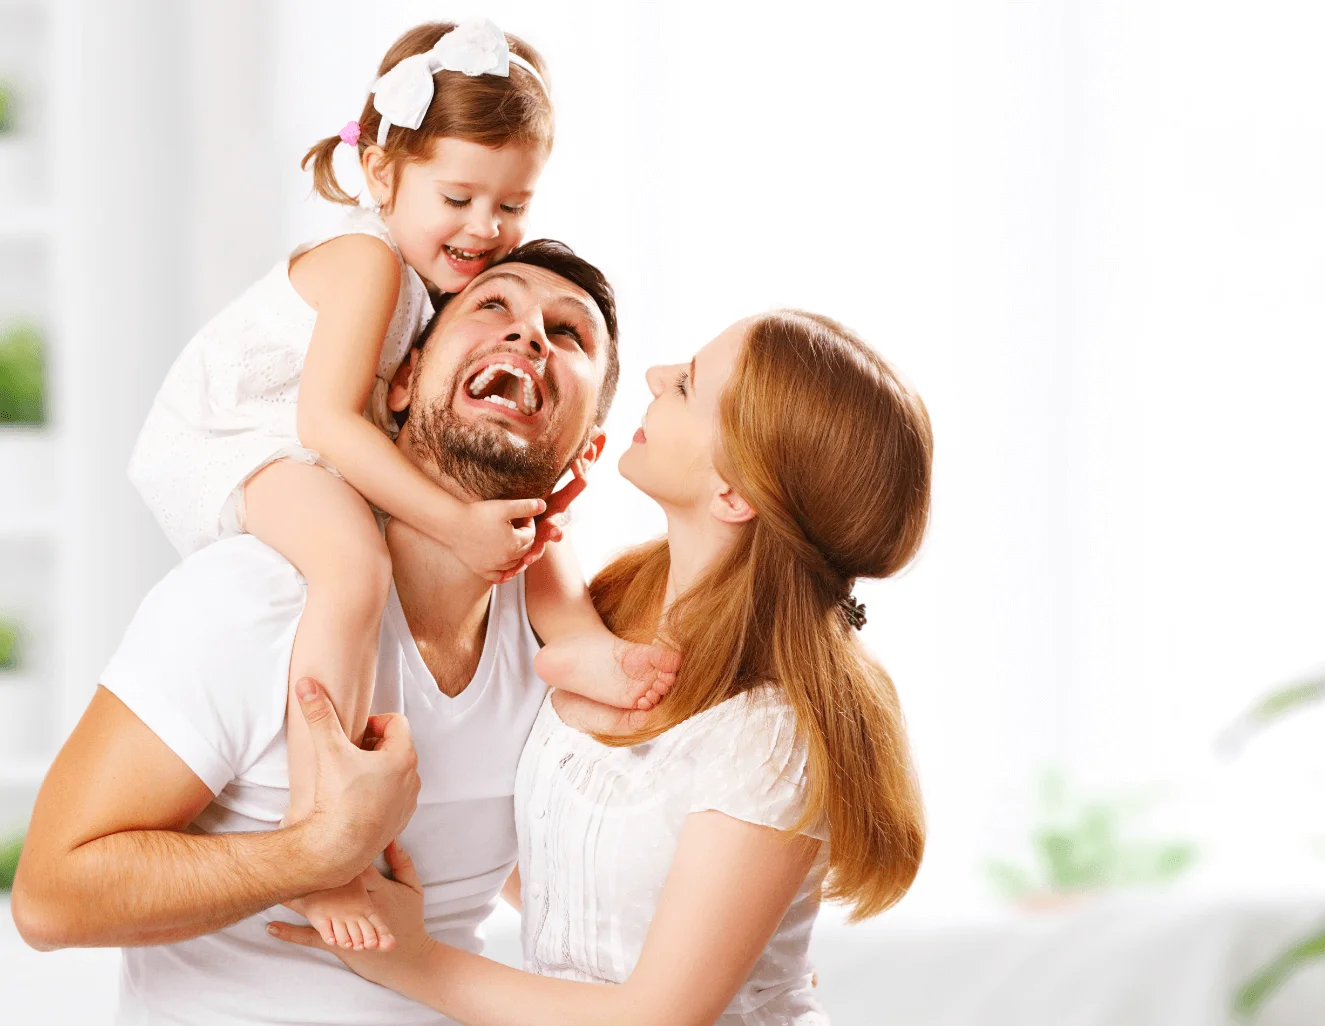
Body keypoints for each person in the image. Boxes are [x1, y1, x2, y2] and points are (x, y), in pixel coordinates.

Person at [125, 18, 673, 951]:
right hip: (238, 436)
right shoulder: (370, 260)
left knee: (503, 488)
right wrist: (456, 527)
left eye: (512, 205)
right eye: (459, 197)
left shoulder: (437, 282)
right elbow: (326, 423)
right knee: (352, 566)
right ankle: (323, 833)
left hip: (321, 434)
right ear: (381, 174)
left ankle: (575, 636)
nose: (486, 230)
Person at [11, 243, 628, 1026]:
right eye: (493, 305)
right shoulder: (255, 595)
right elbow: (49, 898)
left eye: (567, 333)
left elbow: (528, 869)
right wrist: (312, 854)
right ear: (402, 380)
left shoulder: (559, 644)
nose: (529, 334)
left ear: (588, 450)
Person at [271, 310, 934, 1025]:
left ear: (734, 495)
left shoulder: (768, 735)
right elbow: (579, 861)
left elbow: (656, 1017)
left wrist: (412, 958)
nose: (654, 376)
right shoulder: (606, 618)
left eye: (686, 386)